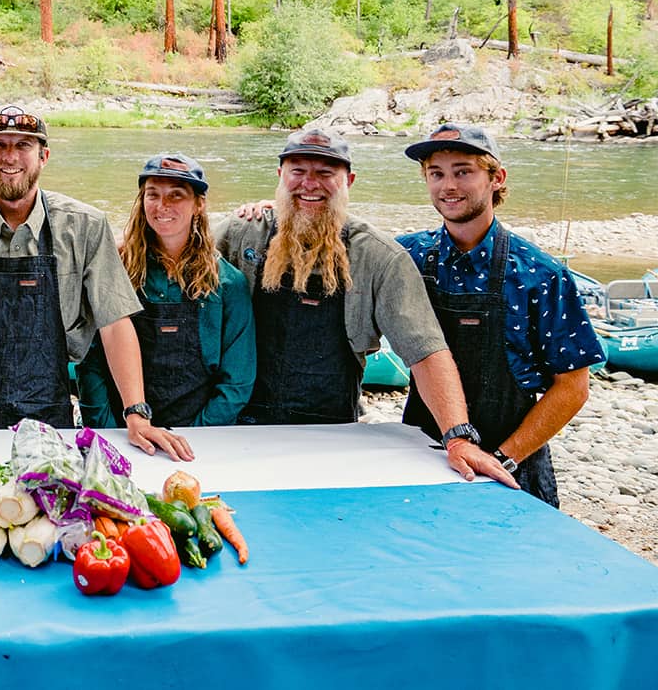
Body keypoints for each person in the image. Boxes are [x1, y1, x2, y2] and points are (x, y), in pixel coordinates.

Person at [215, 127, 514, 485]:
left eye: (325, 173)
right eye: (298, 171)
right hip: (234, 426)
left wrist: (458, 438)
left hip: (334, 433)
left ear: (348, 181)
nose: (310, 183)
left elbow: (425, 350)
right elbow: (171, 254)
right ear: (280, 176)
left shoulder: (378, 256)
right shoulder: (241, 233)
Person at [0, 105, 194, 461]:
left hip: (53, 417)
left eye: (23, 145)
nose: (10, 157)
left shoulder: (85, 226)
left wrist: (137, 413)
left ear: (44, 156)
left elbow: (115, 323)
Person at [398, 124, 604, 506]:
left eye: (463, 171)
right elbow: (339, 248)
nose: (448, 186)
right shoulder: (406, 256)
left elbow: (573, 388)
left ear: (497, 178)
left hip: (512, 460)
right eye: (436, 174)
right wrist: (270, 211)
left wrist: (502, 461)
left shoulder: (541, 273)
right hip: (423, 451)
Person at [77, 154, 256, 428]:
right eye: (153, 194)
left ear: (199, 204)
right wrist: (109, 431)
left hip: (202, 437)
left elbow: (237, 381)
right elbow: (91, 365)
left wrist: (199, 436)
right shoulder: (115, 271)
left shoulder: (229, 284)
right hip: (124, 430)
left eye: (176, 195)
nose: (163, 206)